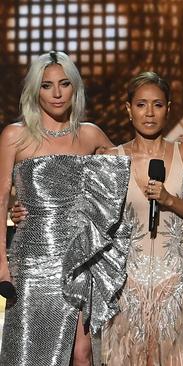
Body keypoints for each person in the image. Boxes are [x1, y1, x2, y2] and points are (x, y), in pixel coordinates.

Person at [0, 51, 132, 366]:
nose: (57, 94)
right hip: (32, 261)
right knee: (28, 353)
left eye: (64, 84)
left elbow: (133, 165)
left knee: (83, 354)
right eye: (47, 86)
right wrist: (1, 262)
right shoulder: (15, 136)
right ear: (34, 90)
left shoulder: (90, 135)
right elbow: (1, 196)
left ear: (76, 88)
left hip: (80, 259)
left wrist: (181, 144)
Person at [101, 72, 183, 365]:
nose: (149, 113)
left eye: (157, 105)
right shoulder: (111, 158)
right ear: (128, 109)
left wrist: (170, 201)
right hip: (127, 283)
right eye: (141, 105)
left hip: (173, 281)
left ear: (168, 108)